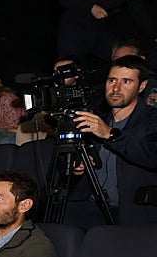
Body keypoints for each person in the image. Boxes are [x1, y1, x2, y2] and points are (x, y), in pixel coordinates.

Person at [67, 54, 157, 226]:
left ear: (142, 86)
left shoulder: (151, 119)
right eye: (112, 80)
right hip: (90, 207)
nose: (116, 88)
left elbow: (152, 157)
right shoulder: (96, 121)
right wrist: (77, 168)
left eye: (126, 82)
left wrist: (110, 134)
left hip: (131, 213)